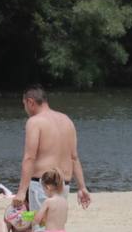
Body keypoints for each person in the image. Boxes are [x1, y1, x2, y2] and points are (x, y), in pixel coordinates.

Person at [12, 86, 91, 222]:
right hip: (63, 185)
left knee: (39, 226)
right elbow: (74, 157)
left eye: (24, 104)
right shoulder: (67, 120)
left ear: (30, 102)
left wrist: (21, 191)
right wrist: (82, 187)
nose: (25, 109)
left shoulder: (35, 122)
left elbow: (30, 157)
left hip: (43, 184)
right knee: (54, 225)